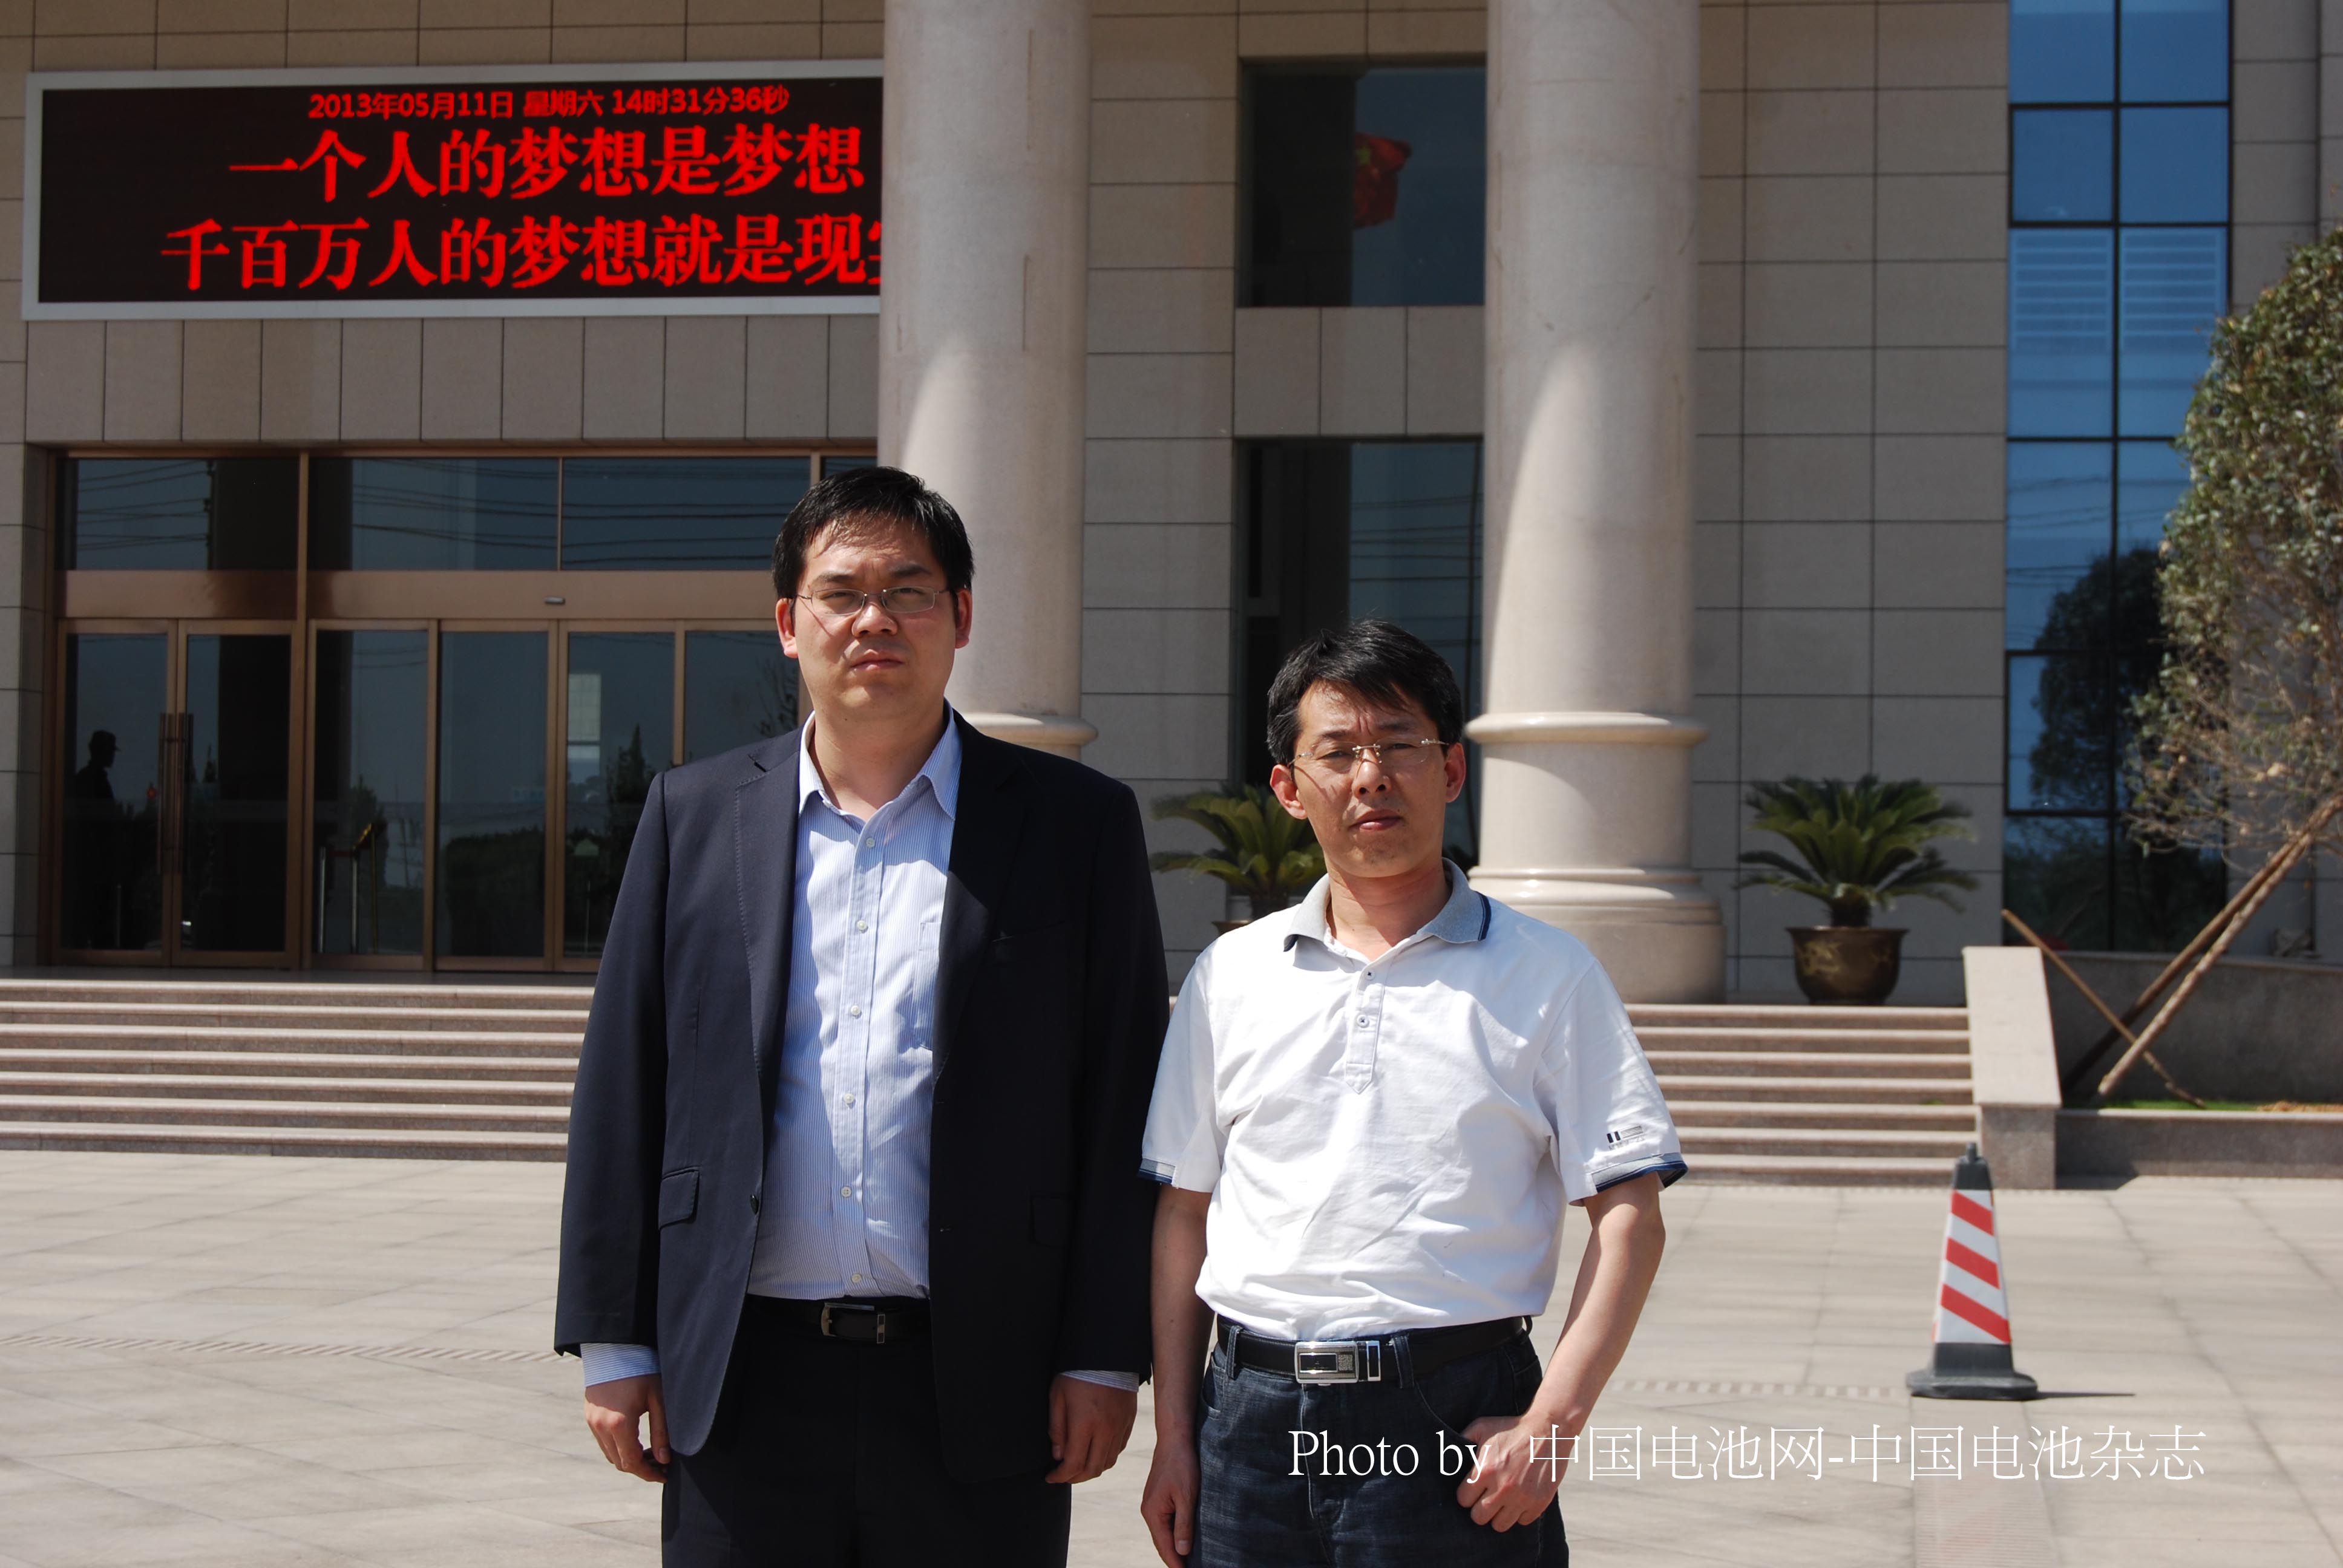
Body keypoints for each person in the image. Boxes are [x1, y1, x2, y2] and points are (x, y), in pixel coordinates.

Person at [556, 465, 1169, 1567]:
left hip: (987, 1374)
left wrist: (1102, 1354)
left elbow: (1122, 1095)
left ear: (961, 617)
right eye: (841, 593)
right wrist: (615, 1340)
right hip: (740, 1374)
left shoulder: (1076, 825)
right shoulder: (695, 814)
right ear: (789, 624)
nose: (873, 619)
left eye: (908, 591)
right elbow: (624, 1083)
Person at [1138, 620, 1685, 1567]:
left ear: (1453, 771)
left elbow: (1629, 1212)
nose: (1371, 777)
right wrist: (1176, 1438)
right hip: (1248, 1431)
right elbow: (1184, 1213)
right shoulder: (1231, 975)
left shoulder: (1549, 973)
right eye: (1337, 753)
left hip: (1449, 1420)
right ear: (1288, 789)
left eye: (1400, 746)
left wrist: (1551, 1426)